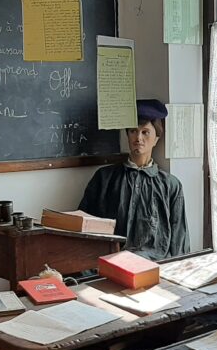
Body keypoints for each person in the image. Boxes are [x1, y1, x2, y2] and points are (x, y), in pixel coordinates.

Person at [78, 99, 190, 260]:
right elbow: (83, 229)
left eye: (145, 132)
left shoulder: (170, 186)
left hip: (153, 266)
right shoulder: (104, 178)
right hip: (109, 263)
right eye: (133, 131)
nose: (138, 138)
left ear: (156, 138)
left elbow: (179, 241)